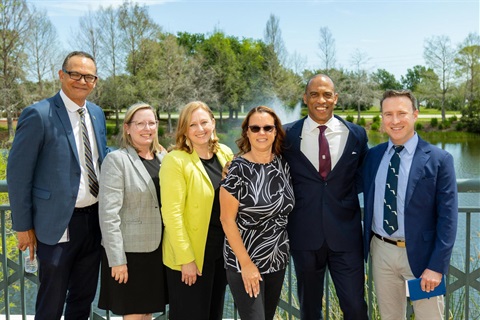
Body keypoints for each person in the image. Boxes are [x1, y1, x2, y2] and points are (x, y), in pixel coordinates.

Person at [7, 51, 108, 319]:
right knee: (51, 301)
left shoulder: (97, 114)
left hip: (93, 222)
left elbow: (103, 160)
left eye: (89, 76)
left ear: (95, 82)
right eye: (75, 74)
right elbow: (18, 175)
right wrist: (22, 226)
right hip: (57, 226)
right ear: (62, 75)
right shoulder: (38, 115)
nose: (81, 81)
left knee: (82, 299)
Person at [362, 89, 458, 319]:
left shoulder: (439, 159)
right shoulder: (372, 157)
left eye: (401, 113)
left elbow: (448, 218)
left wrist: (437, 266)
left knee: (429, 317)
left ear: (415, 114)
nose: (394, 121)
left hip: (423, 254)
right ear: (382, 118)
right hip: (382, 250)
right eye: (388, 114)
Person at [282, 74, 369, 320]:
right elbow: (262, 159)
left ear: (336, 98)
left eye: (327, 95)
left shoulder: (356, 135)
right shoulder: (286, 135)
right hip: (304, 237)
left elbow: (363, 174)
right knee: (310, 311)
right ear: (305, 98)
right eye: (314, 94)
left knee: (355, 307)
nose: (321, 100)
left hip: (346, 237)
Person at [160, 101, 234, 320]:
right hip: (191, 257)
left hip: (220, 255)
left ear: (213, 122)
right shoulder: (175, 160)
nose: (200, 129)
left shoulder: (225, 153)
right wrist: (186, 259)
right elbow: (172, 215)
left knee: (214, 314)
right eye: (193, 125)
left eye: (204, 122)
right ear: (184, 129)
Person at [220, 106, 295, 320]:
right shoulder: (237, 169)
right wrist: (246, 264)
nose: (262, 133)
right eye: (255, 128)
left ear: (275, 132)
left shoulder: (283, 164)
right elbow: (226, 219)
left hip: (277, 259)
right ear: (247, 133)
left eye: (267, 128)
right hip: (245, 261)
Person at [97, 103, 168, 319]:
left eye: (151, 123)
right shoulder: (117, 160)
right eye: (140, 123)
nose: (147, 128)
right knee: (134, 315)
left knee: (146, 313)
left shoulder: (164, 158)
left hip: (158, 251)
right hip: (130, 254)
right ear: (127, 127)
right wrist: (117, 260)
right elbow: (108, 215)